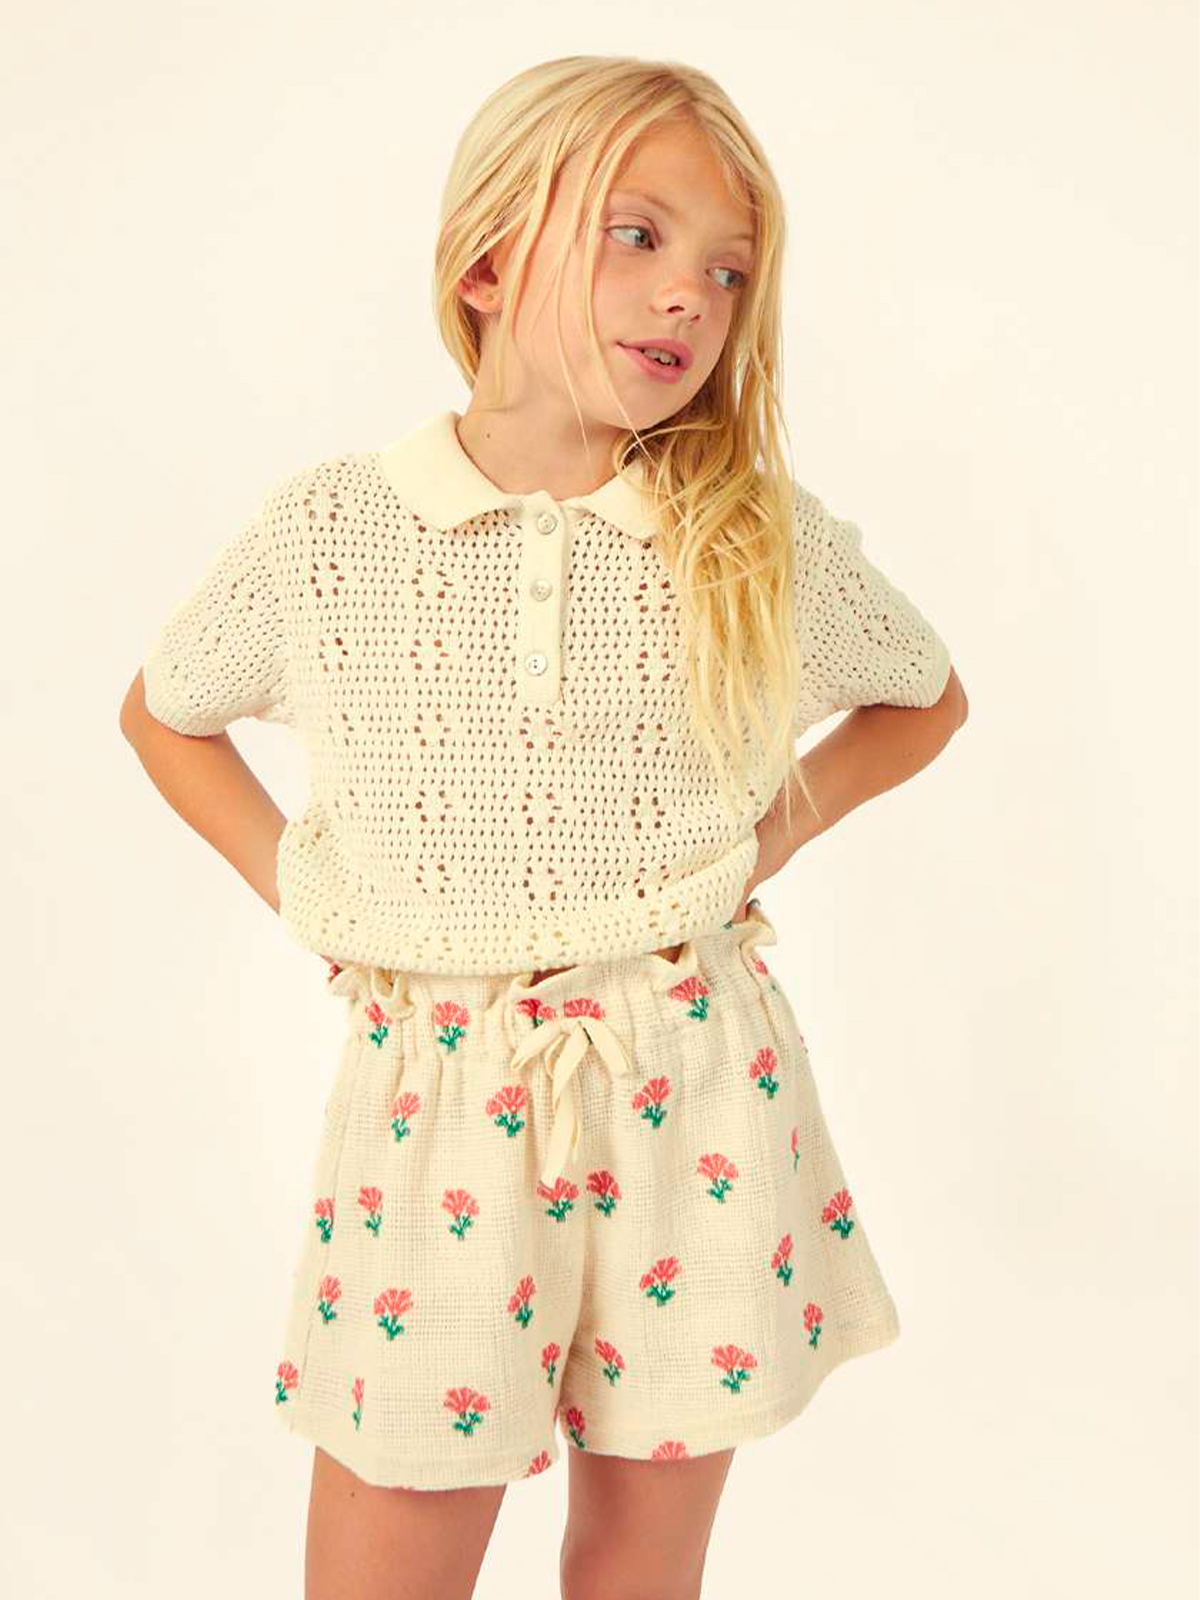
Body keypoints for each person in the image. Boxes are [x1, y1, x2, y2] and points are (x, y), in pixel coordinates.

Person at [120, 53, 968, 1600]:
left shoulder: (749, 536)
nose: (691, 295)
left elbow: (924, 697)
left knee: (639, 1562)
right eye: (637, 235)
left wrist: (765, 843)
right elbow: (166, 713)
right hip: (440, 1102)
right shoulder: (332, 530)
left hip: (692, 1085)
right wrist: (302, 889)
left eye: (729, 270)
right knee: (389, 1543)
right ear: (489, 262)